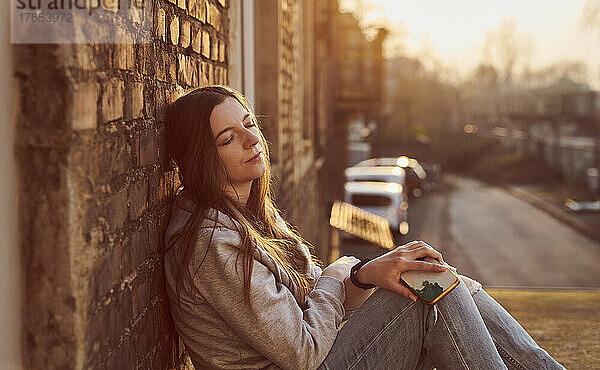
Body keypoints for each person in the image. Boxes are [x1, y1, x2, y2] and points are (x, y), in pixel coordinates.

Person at [161, 85, 565, 370]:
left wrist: (364, 274)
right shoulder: (212, 242)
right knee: (426, 287)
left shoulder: (245, 217)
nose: (252, 140)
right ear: (202, 157)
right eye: (228, 138)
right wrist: (340, 272)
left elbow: (313, 300)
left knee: (433, 279)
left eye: (250, 124)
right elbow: (303, 350)